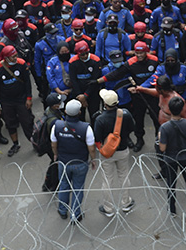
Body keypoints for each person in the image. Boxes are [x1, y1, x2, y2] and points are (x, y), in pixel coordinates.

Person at [51, 99, 97, 223]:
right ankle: (75, 214)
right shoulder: (86, 128)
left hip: (64, 162)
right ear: (79, 112)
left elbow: (54, 144)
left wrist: (56, 155)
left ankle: (62, 210)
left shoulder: (57, 126)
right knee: (78, 188)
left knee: (64, 186)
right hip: (80, 163)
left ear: (65, 111)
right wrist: (93, 160)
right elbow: (91, 147)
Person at [94, 88, 136, 217]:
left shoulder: (100, 119)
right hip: (122, 149)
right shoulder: (125, 114)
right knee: (123, 176)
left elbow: (97, 139)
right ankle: (126, 203)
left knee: (107, 180)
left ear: (105, 104)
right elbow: (132, 128)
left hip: (107, 153)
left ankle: (108, 208)